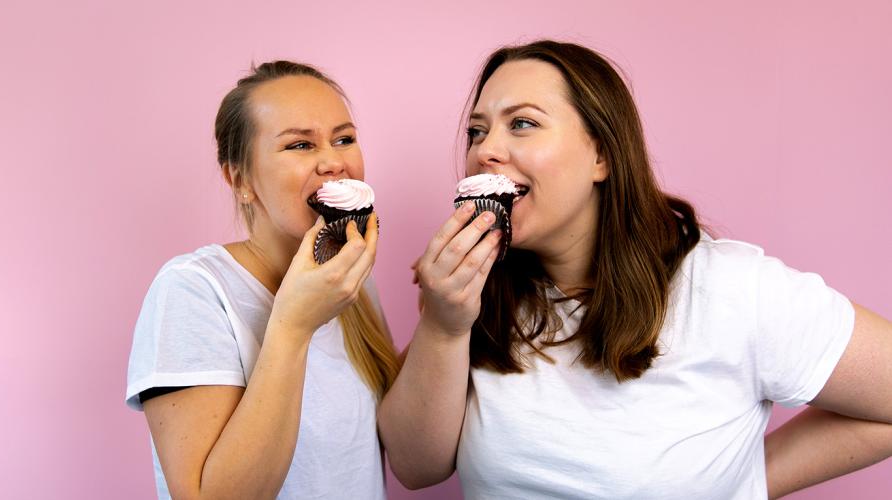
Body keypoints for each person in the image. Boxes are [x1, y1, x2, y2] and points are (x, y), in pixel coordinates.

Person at [377, 40, 892, 499]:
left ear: (601, 155)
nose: (484, 151)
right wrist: (444, 326)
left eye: (523, 123)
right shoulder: (473, 295)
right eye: (477, 131)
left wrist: (743, 482)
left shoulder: (732, 289)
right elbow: (416, 468)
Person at [125, 61, 398, 499]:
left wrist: (443, 315)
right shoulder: (193, 290)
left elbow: (407, 457)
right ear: (241, 180)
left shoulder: (351, 283)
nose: (334, 162)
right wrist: (293, 326)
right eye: (300, 145)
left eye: (344, 139)